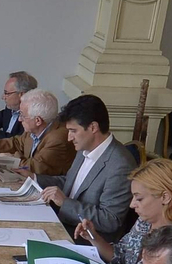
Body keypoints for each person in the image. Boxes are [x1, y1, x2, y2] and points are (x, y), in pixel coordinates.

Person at [75, 157, 172, 264]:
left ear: (165, 197)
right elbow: (120, 255)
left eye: (139, 198)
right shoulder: (145, 221)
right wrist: (93, 237)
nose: (132, 204)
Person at [36, 94, 136, 239]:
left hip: (86, 240)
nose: (69, 138)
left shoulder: (120, 165)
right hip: (62, 224)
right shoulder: (85, 148)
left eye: (73, 131)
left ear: (93, 127)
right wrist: (33, 178)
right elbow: (70, 184)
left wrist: (65, 203)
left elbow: (110, 220)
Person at [0, 89, 73, 176]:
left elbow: (34, 168)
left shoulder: (58, 139)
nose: (19, 119)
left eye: (22, 115)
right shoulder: (34, 128)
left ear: (38, 121)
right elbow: (17, 142)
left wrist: (12, 158)